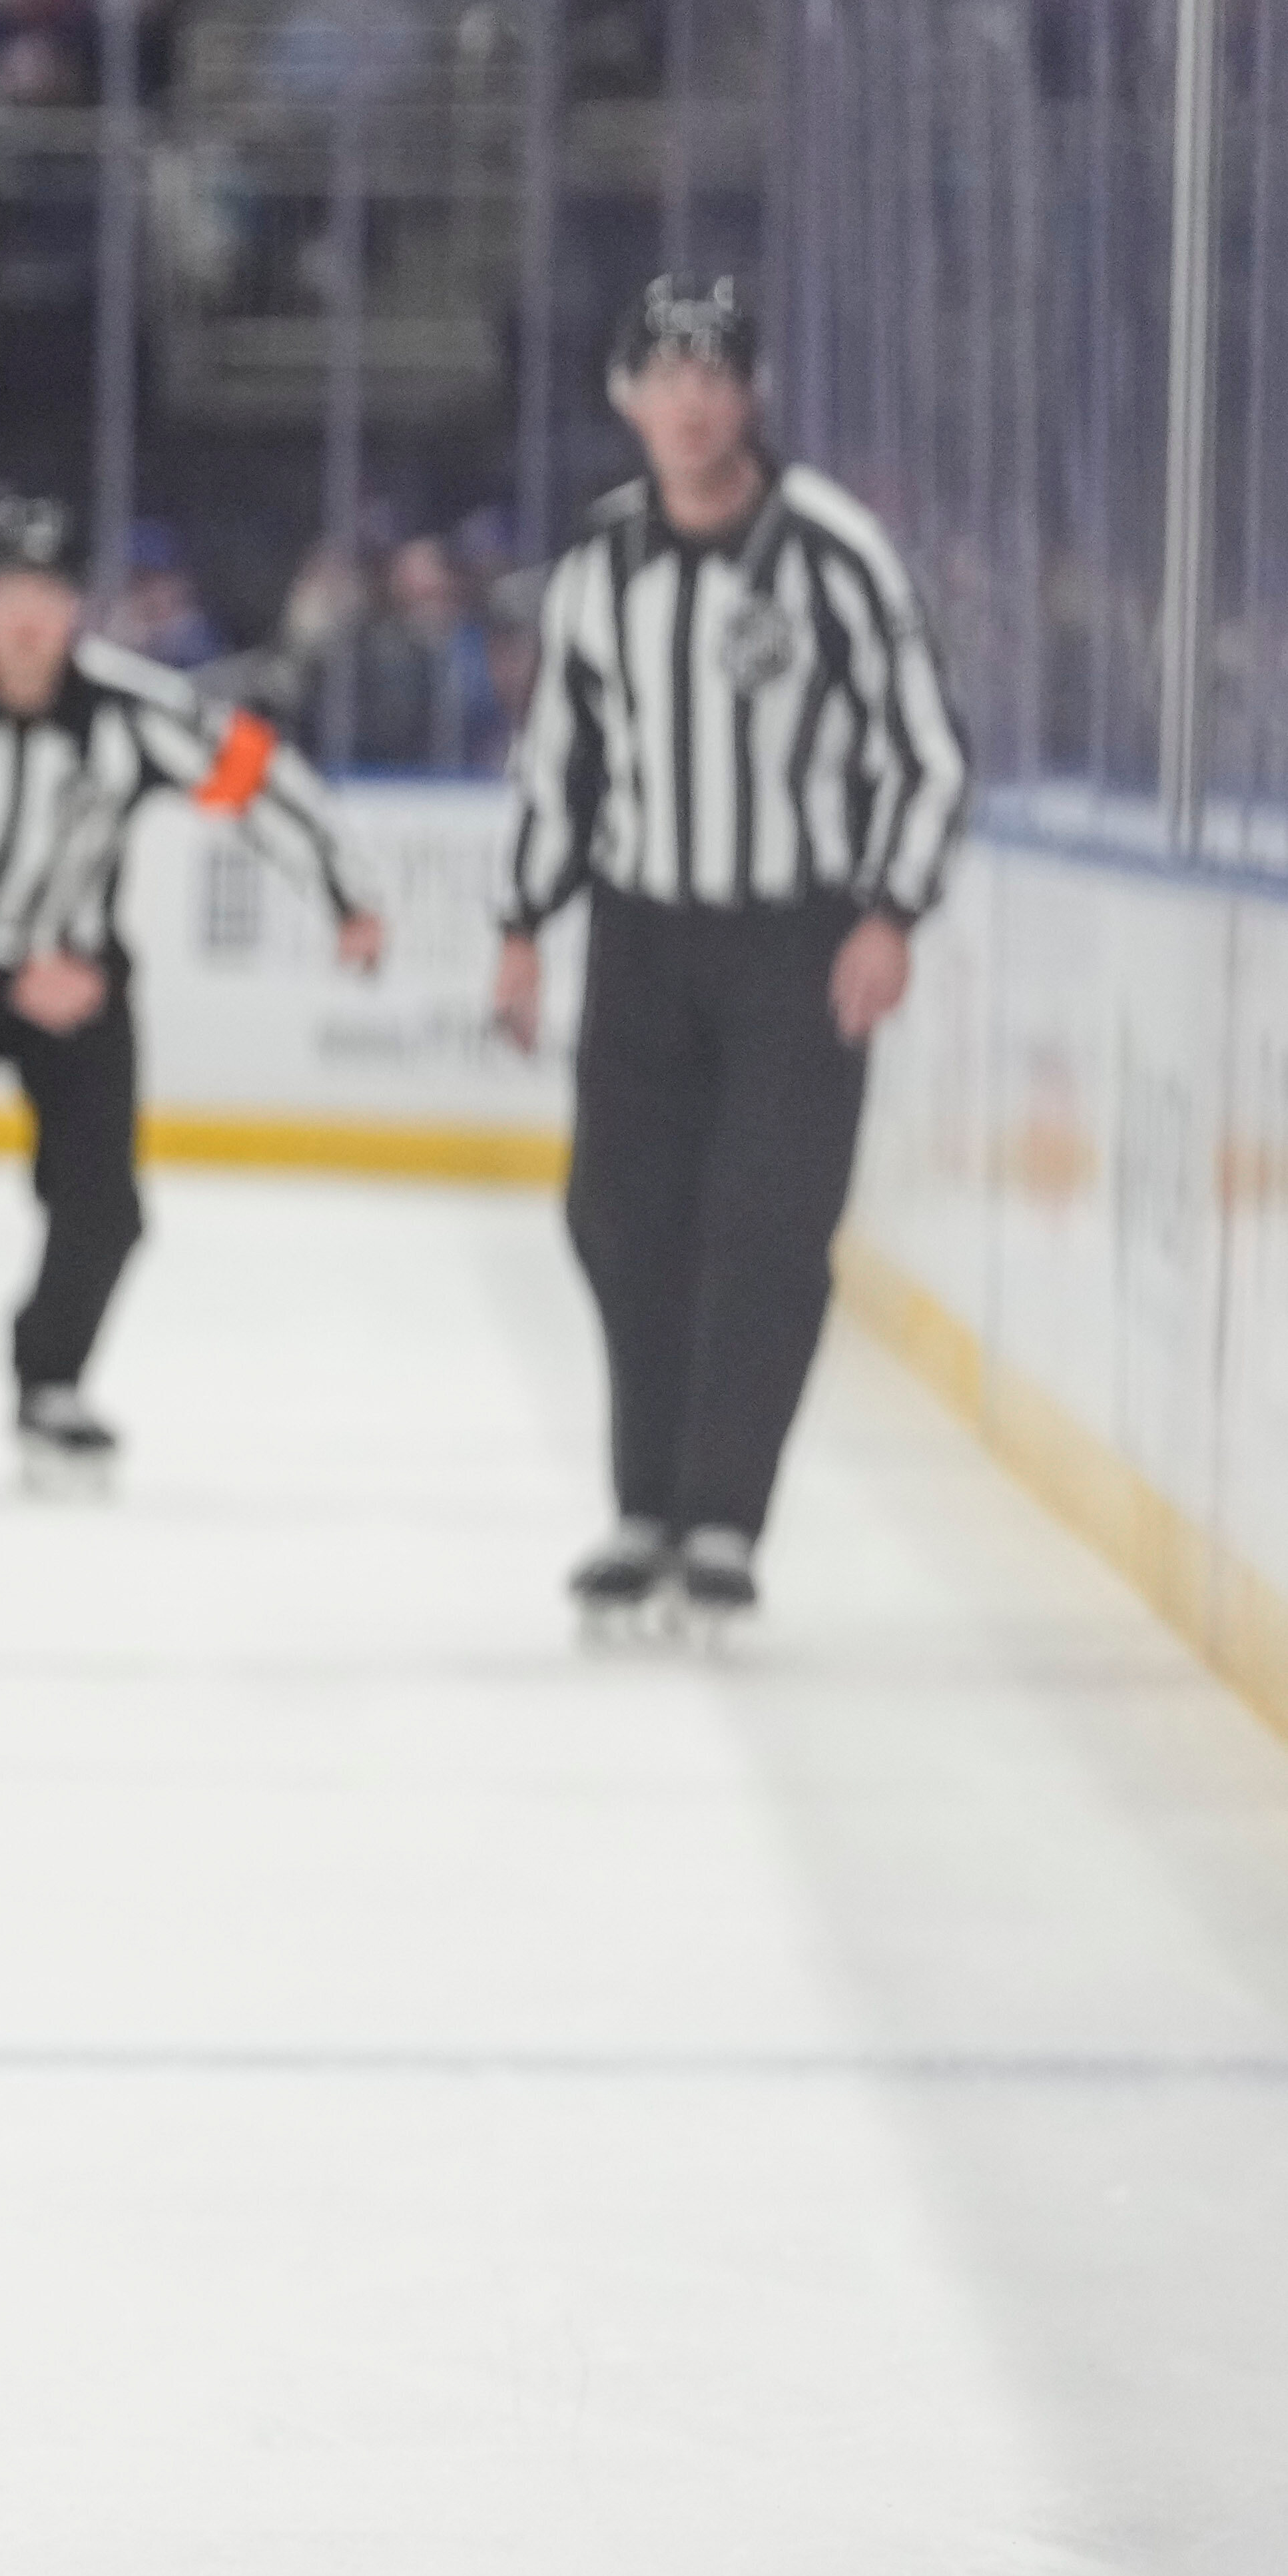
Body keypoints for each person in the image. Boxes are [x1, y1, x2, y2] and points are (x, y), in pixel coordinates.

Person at [491, 277, 968, 1636]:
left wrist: (891, 910)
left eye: (716, 374)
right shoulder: (598, 565)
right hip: (643, 938)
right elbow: (561, 771)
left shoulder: (835, 553)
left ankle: (721, 1522)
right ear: (627, 395)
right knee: (619, 1219)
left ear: (750, 393)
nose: (692, 400)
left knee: (767, 1227)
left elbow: (929, 749)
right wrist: (522, 928)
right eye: (667, 373)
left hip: (795, 944)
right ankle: (643, 1504)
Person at [0, 490, 384, 1487]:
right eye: (10, 590)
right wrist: (9, 965)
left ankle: (51, 1385)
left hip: (72, 976)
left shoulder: (127, 706)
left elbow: (252, 770)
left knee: (101, 1202)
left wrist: (345, 892)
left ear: (78, 607)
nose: (28, 616)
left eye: (50, 593)